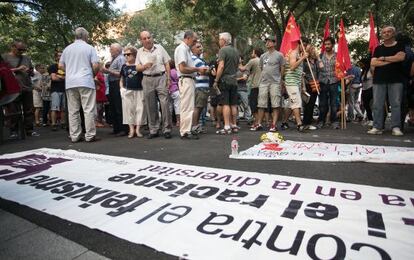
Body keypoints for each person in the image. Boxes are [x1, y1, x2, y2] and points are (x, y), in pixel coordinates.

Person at [59, 27, 100, 143]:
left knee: (73, 110)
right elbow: (96, 65)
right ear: (85, 36)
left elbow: (61, 66)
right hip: (86, 80)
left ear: (75, 36)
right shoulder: (89, 48)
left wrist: (70, 71)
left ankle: (75, 135)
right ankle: (90, 135)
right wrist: (93, 74)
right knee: (88, 109)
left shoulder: (67, 49)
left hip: (71, 82)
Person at [368, 26, 406, 136]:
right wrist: (392, 59)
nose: (386, 33)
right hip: (379, 79)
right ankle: (377, 127)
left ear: (393, 33)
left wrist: (383, 58)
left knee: (396, 104)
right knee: (377, 104)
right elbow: (373, 63)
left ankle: (396, 127)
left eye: (389, 32)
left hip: (396, 79)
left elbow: (401, 58)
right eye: (384, 32)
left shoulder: (400, 45)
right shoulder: (378, 48)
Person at [136, 30, 172, 139]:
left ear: (152, 38)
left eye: (149, 37)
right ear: (141, 40)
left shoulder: (160, 48)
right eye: (144, 38)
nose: (147, 40)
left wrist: (168, 78)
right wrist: (144, 66)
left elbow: (167, 63)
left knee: (165, 104)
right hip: (147, 78)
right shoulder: (139, 52)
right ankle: (153, 129)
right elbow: (137, 67)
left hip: (161, 77)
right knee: (150, 105)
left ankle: (167, 129)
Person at [174, 31, 206, 139]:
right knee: (186, 107)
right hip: (186, 79)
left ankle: (187, 130)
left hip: (189, 79)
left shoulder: (186, 49)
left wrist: (196, 71)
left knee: (189, 106)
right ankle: (185, 131)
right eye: (194, 40)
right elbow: (182, 68)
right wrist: (197, 69)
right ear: (188, 38)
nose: (195, 42)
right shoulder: (182, 49)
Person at [1, 40, 37, 137]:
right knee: (13, 110)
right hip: (13, 88)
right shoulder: (5, 57)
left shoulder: (26, 58)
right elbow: (2, 71)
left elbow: (32, 73)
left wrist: (29, 71)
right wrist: (17, 69)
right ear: (12, 47)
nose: (22, 52)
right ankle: (14, 130)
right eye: (20, 49)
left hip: (27, 87)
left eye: (24, 50)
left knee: (29, 109)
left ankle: (29, 130)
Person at [250, 36, 285, 132]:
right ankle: (259, 124)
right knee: (261, 104)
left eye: (270, 41)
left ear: (274, 43)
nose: (267, 43)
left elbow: (282, 68)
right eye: (266, 41)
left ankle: (273, 125)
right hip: (264, 82)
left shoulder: (279, 55)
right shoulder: (262, 56)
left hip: (275, 82)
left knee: (275, 104)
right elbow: (262, 68)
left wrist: (280, 80)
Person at [213, 32, 240, 135]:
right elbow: (238, 66)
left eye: (219, 39)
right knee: (233, 104)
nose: (219, 41)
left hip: (225, 80)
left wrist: (216, 80)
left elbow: (221, 66)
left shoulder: (223, 50)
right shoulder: (236, 51)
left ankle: (227, 126)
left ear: (223, 40)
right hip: (234, 80)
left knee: (225, 104)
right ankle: (234, 125)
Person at [101, 43, 127, 136]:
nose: (110, 51)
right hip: (112, 84)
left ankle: (123, 129)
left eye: (111, 49)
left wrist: (108, 71)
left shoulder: (120, 59)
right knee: (113, 107)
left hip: (117, 83)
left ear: (117, 50)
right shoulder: (114, 59)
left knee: (118, 106)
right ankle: (116, 128)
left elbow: (122, 73)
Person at [120, 46, 145, 138]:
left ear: (134, 55)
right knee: (128, 110)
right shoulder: (124, 66)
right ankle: (131, 129)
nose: (126, 56)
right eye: (125, 54)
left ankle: (138, 129)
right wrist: (121, 88)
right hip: (127, 90)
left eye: (128, 54)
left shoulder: (139, 65)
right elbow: (121, 78)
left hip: (140, 89)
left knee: (140, 109)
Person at [283, 40, 308, 131]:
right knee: (296, 102)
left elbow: (299, 71)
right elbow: (292, 66)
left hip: (296, 82)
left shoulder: (299, 55)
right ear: (299, 44)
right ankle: (299, 124)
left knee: (291, 104)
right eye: (303, 45)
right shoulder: (294, 53)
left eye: (305, 46)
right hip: (291, 82)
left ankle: (284, 122)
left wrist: (302, 85)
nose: (304, 48)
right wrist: (302, 58)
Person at [317, 37, 340, 129]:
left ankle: (334, 121)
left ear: (333, 45)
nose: (326, 46)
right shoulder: (320, 56)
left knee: (334, 104)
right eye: (325, 44)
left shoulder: (338, 55)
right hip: (323, 82)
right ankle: (321, 121)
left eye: (328, 44)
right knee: (322, 104)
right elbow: (316, 69)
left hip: (334, 82)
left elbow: (342, 68)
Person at [240, 47, 263, 126]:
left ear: (255, 53)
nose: (251, 54)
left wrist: (237, 62)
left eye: (252, 52)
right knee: (260, 105)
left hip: (255, 85)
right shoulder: (263, 60)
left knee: (253, 105)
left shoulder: (253, 61)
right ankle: (259, 122)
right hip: (263, 86)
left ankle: (256, 122)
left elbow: (242, 69)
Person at [191, 41, 210, 135]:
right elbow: (203, 71)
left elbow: (205, 69)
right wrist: (208, 69)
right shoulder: (194, 59)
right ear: (192, 49)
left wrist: (207, 69)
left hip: (203, 86)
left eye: (201, 47)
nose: (200, 48)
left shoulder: (200, 59)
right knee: (198, 107)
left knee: (200, 107)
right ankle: (194, 126)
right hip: (200, 86)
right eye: (198, 47)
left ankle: (196, 125)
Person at [302, 41, 320, 130]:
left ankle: (309, 121)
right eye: (310, 49)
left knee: (312, 104)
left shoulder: (316, 61)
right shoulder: (305, 61)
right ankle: (306, 122)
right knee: (308, 104)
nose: (313, 51)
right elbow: (302, 73)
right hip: (308, 84)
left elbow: (321, 67)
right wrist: (305, 84)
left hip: (316, 84)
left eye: (313, 49)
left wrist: (318, 58)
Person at [360, 58, 374, 127]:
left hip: (371, 88)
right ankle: (370, 119)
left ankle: (373, 120)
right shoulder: (363, 71)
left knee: (371, 105)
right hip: (364, 89)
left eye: (362, 63)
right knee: (366, 105)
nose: (361, 65)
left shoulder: (371, 70)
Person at [168, 60, 180, 127]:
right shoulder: (175, 71)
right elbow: (178, 80)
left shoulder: (166, 72)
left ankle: (170, 122)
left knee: (169, 107)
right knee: (177, 106)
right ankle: (178, 121)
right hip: (175, 90)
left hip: (168, 90)